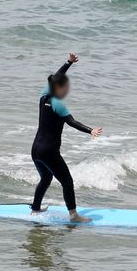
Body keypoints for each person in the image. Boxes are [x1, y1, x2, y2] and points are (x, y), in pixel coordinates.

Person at [31, 53, 103, 223]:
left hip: (36, 150)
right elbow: (72, 122)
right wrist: (90, 130)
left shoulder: (44, 97)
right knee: (67, 182)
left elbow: (56, 77)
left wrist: (68, 63)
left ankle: (35, 209)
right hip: (49, 152)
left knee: (46, 178)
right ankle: (74, 216)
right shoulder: (58, 104)